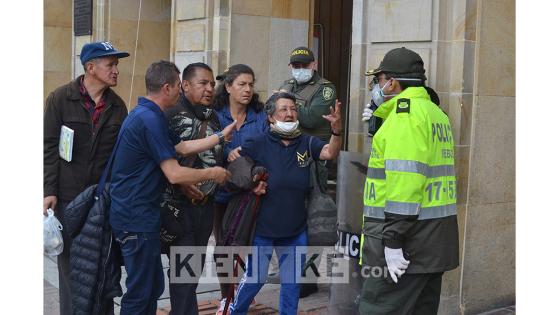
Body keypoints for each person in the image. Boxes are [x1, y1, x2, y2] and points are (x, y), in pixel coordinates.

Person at [109, 60, 231, 314]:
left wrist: (220, 137)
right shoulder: (149, 119)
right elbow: (174, 174)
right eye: (178, 86)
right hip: (135, 218)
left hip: (143, 217)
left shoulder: (150, 115)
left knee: (152, 287)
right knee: (141, 293)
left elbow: (182, 148)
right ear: (167, 88)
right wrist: (212, 173)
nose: (180, 91)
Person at [358, 47, 459, 314]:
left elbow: (406, 183)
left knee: (378, 308)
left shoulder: (405, 117)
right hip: (432, 243)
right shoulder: (434, 113)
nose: (376, 87)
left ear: (392, 81)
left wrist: (392, 242)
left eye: (379, 80)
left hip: (405, 247)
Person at [228, 92, 342, 315]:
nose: (290, 114)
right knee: (255, 279)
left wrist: (336, 130)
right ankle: (235, 311)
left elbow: (329, 152)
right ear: (271, 116)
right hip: (262, 228)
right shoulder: (257, 142)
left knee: (291, 285)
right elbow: (236, 167)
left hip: (295, 230)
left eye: (293, 109)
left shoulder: (306, 142)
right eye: (283, 109)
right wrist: (251, 182)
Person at [43, 41, 130, 315]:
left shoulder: (118, 107)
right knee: (71, 271)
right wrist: (49, 189)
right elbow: (48, 147)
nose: (116, 70)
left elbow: (120, 157)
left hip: (101, 201)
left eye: (116, 65)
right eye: (111, 64)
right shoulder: (59, 99)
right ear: (91, 68)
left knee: (103, 267)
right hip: (68, 199)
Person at [161, 62, 236, 315]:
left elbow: (216, 153)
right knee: (182, 275)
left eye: (212, 84)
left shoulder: (212, 115)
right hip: (177, 208)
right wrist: (182, 183)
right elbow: (161, 160)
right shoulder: (170, 114)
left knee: (190, 274)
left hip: (205, 206)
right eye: (203, 83)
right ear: (184, 85)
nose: (209, 89)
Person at [278, 46, 338, 297]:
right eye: (296, 66)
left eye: (305, 65)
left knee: (312, 222)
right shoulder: (287, 84)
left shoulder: (325, 88)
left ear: (314, 65)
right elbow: (274, 114)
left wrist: (286, 104)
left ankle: (308, 277)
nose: (300, 70)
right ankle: (291, 273)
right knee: (290, 217)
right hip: (288, 158)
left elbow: (314, 119)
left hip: (314, 161)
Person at [211, 64, 268, 313]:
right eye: (241, 84)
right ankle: (227, 296)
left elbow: (269, 147)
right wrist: (226, 150)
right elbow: (205, 145)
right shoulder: (215, 114)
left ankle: (244, 289)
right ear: (228, 87)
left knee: (249, 244)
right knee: (225, 247)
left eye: (251, 84)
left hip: (251, 192)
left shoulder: (260, 116)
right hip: (222, 191)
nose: (247, 89)